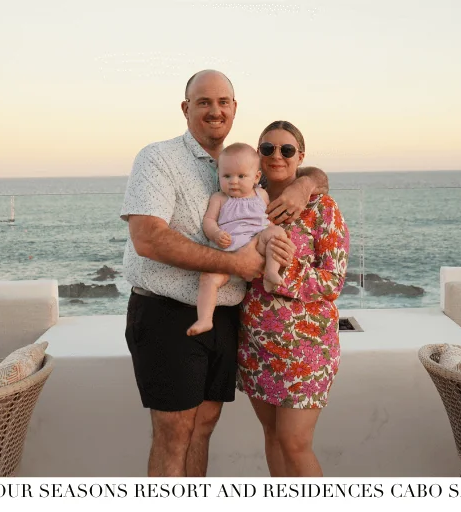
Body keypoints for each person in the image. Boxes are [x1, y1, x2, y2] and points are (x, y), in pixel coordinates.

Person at [119, 70, 328, 477]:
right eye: (203, 102)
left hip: (226, 317)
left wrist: (306, 186)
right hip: (168, 315)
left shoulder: (241, 162)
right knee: (175, 431)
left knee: (203, 427)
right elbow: (148, 238)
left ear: (234, 109)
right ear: (186, 108)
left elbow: (307, 170)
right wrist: (235, 264)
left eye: (224, 102)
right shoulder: (158, 158)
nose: (215, 111)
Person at [237, 120, 349, 478]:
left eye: (287, 150)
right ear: (258, 154)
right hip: (255, 345)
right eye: (267, 148)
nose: (276, 156)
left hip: (306, 349)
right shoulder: (245, 199)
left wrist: (278, 273)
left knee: (295, 442)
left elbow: (332, 280)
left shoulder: (322, 208)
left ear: (300, 156)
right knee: (272, 435)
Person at [187, 143, 287, 337]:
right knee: (208, 279)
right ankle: (205, 319)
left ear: (256, 177)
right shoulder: (219, 198)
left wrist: (270, 233)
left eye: (241, 176)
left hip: (257, 245)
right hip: (228, 256)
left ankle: (270, 272)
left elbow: (268, 220)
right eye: (227, 176)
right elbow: (208, 221)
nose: (233, 181)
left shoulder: (262, 194)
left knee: (277, 233)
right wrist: (215, 233)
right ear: (219, 175)